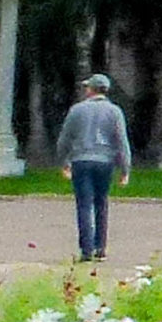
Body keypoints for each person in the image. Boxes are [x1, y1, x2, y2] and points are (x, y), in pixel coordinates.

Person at [59, 73, 132, 263]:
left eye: (87, 87)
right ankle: (101, 247)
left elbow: (65, 138)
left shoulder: (77, 110)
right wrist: (125, 169)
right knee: (101, 203)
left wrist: (64, 162)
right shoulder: (115, 111)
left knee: (84, 204)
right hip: (105, 162)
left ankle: (86, 250)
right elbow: (121, 141)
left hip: (81, 161)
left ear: (91, 89)